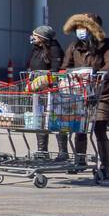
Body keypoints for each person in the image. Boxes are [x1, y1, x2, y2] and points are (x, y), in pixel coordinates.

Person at [61, 12, 109, 180]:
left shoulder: (106, 45)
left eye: (84, 27)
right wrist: (67, 75)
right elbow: (65, 66)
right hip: (81, 93)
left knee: (99, 128)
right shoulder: (75, 46)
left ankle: (105, 165)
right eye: (79, 28)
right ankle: (80, 160)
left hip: (102, 93)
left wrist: (97, 75)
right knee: (79, 128)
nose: (81, 31)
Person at [25, 25, 68, 159]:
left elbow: (56, 69)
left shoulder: (54, 49)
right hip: (38, 90)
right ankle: (42, 151)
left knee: (56, 119)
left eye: (35, 35)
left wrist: (45, 78)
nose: (33, 37)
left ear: (42, 38)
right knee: (40, 119)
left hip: (51, 90)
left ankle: (63, 152)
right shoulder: (36, 49)